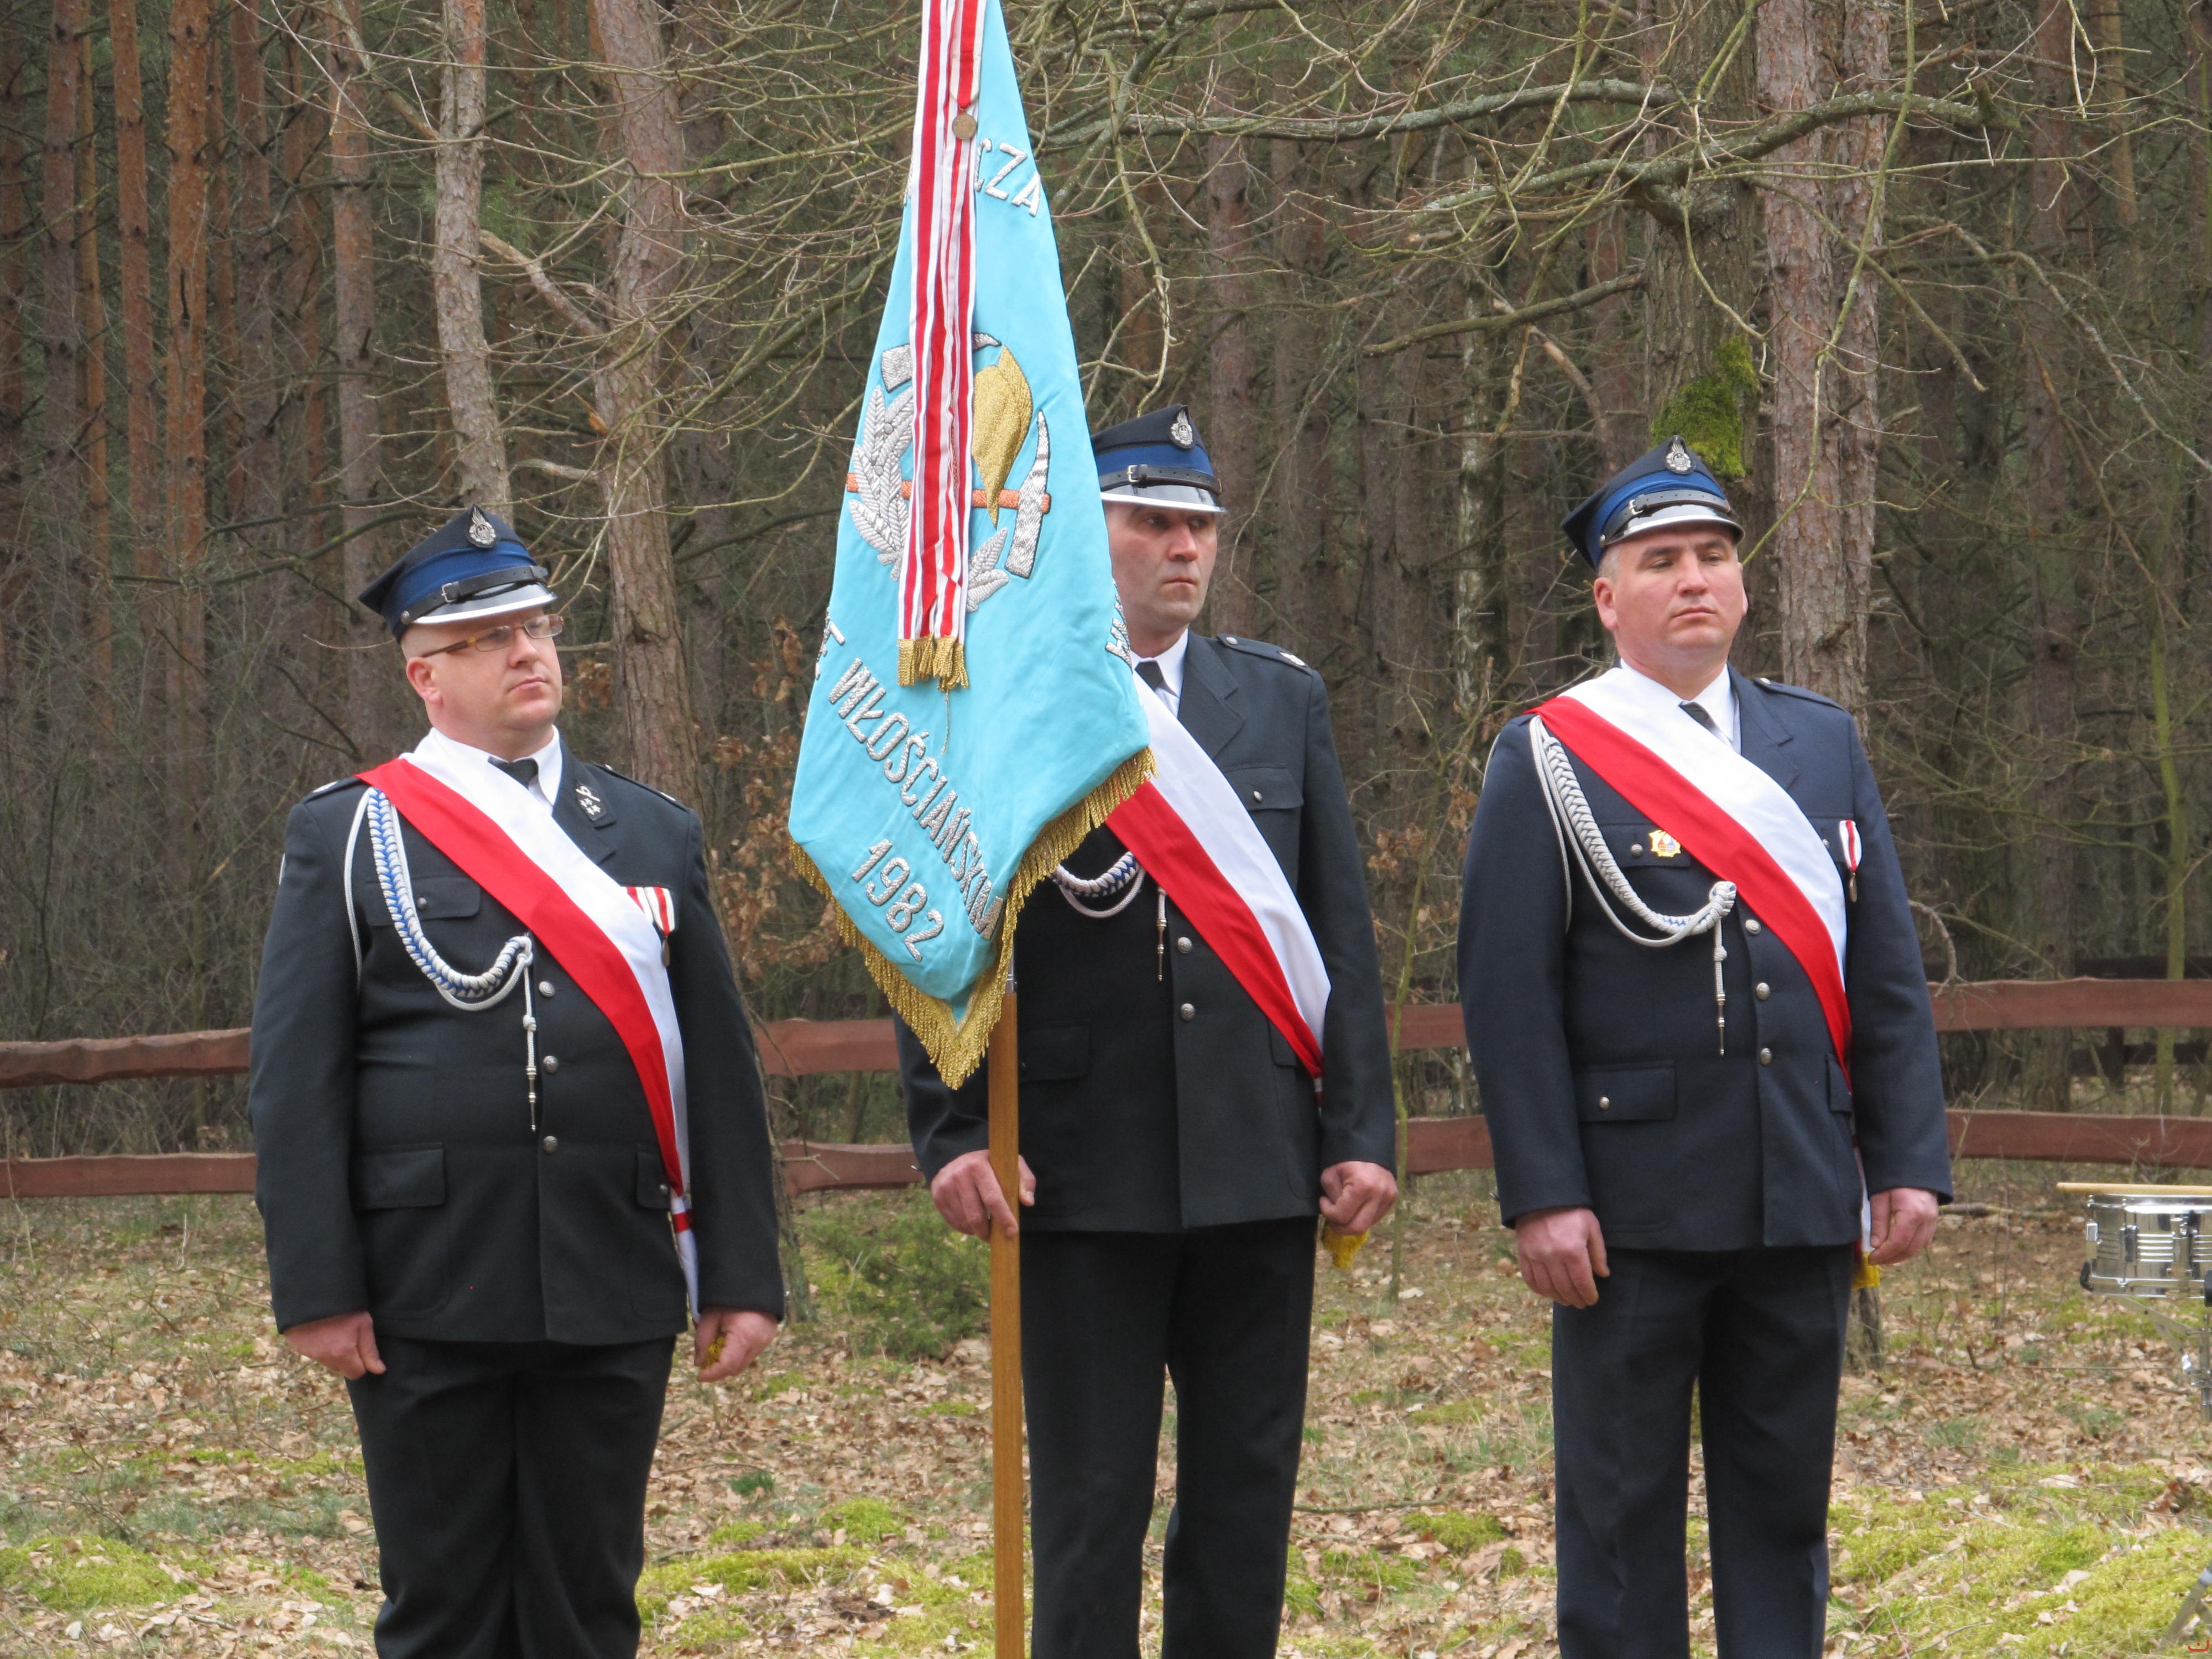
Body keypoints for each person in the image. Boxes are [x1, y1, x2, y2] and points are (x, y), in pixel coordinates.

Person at [896, 404, 1399, 1659]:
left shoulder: (1276, 699)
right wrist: (951, 1130)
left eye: (1200, 528)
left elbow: (1337, 935)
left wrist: (1359, 1130)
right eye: (1153, 523)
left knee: (1244, 1496)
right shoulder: (1000, 700)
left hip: (1256, 1157)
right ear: (1086, 534)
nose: (1184, 549)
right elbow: (934, 928)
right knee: (1089, 1503)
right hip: (1074, 1168)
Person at [248, 505, 785, 1659]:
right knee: (442, 1612)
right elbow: (296, 1080)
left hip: (612, 1266)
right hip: (426, 1280)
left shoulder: (650, 831)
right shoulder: (351, 833)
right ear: (425, 675)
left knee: (587, 1608)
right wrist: (316, 1285)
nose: (529, 651)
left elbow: (719, 1069)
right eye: (490, 637)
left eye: (537, 626)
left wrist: (741, 1272)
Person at [1457, 437, 1953, 1657]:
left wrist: (1905, 1161)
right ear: (1606, 595)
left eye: (1714, 556)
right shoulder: (1549, 754)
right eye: (1661, 559)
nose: (1694, 580)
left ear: (1741, 581)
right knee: (1621, 1522)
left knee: (1782, 1517)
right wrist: (1544, 1192)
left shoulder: (1818, 743)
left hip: (1798, 1189)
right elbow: (1508, 996)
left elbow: (1883, 975)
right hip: (1631, 1207)